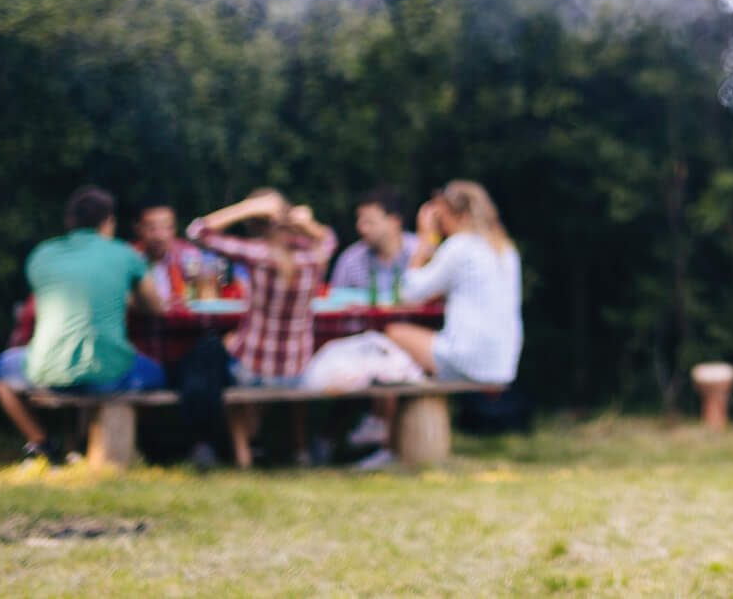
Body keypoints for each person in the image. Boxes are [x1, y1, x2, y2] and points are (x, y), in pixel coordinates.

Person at [354, 179, 522, 469]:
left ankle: (383, 432)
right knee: (410, 346)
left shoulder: (460, 247)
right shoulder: (504, 248)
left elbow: (409, 292)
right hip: (502, 361)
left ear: (458, 215)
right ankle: (390, 437)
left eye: (440, 217)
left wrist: (424, 241)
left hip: (467, 358)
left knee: (393, 332)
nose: (439, 225)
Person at [0, 186, 166, 464]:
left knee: (2, 369)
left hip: (47, 370)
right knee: (158, 373)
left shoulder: (42, 255)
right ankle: (138, 449)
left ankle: (42, 443)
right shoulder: (124, 254)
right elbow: (156, 306)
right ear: (108, 223)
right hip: (109, 373)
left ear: (69, 221)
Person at [182, 189, 337, 468]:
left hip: (253, 372)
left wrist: (245, 207)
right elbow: (330, 239)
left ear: (256, 223)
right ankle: (299, 449)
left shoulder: (258, 253)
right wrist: (305, 223)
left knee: (223, 352)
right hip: (296, 372)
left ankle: (243, 455)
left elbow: (197, 231)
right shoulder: (314, 257)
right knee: (245, 349)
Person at [327, 187, 417, 301]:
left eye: (369, 222)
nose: (362, 229)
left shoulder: (421, 251)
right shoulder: (350, 259)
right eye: (360, 222)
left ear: (394, 222)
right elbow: (334, 304)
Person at [131, 203, 217, 307]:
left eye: (166, 227)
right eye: (152, 228)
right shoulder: (130, 258)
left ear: (174, 229)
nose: (159, 236)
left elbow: (204, 283)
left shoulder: (187, 253)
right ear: (138, 228)